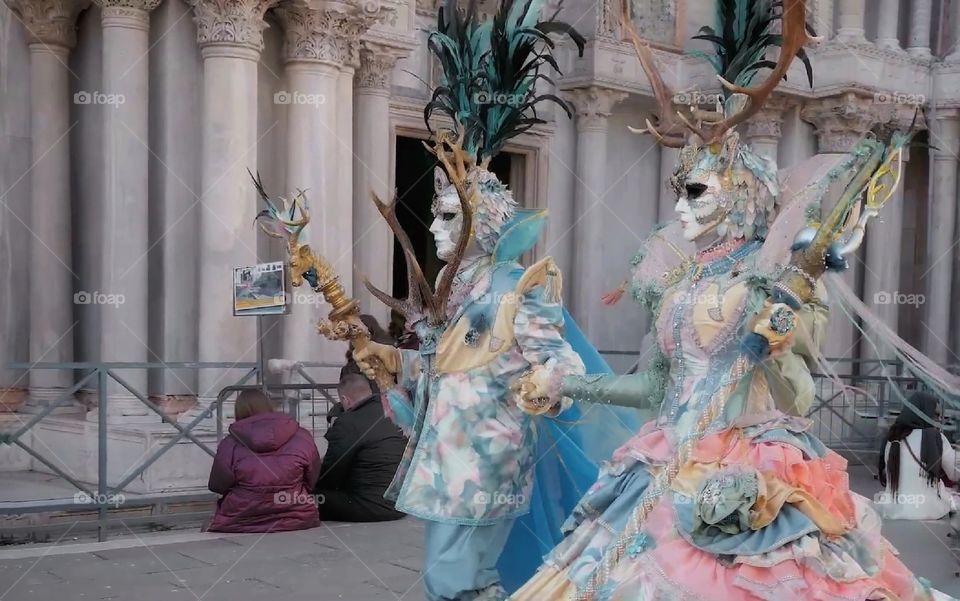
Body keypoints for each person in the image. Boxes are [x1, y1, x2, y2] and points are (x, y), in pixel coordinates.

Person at [509, 2, 956, 599]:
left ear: (740, 191)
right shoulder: (677, 287)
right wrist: (570, 384)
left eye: (695, 190)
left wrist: (777, 339)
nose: (680, 206)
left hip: (751, 461)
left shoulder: (772, 284)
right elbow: (653, 389)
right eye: (678, 189)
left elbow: (798, 394)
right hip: (666, 454)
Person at [349, 2, 614, 598]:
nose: (435, 228)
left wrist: (541, 381)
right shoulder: (453, 296)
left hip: (484, 464)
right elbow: (448, 372)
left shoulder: (514, 292)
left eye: (450, 217)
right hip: (449, 462)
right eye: (437, 215)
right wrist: (393, 362)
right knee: (456, 579)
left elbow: (560, 365)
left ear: (486, 228)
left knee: (457, 579)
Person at [207, 389, 320, 533]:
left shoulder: (230, 444)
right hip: (297, 515)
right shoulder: (302, 436)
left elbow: (217, 485)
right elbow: (313, 478)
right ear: (269, 406)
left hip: (241, 518)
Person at [313, 373, 407, 522]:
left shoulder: (348, 422)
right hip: (398, 506)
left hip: (367, 506)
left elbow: (331, 473)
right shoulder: (395, 415)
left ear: (345, 400)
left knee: (299, 497)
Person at [877, 391, 959, 520]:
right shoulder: (936, 437)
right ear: (924, 413)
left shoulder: (892, 438)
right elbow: (955, 473)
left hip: (892, 508)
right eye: (935, 414)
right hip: (930, 509)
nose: (938, 420)